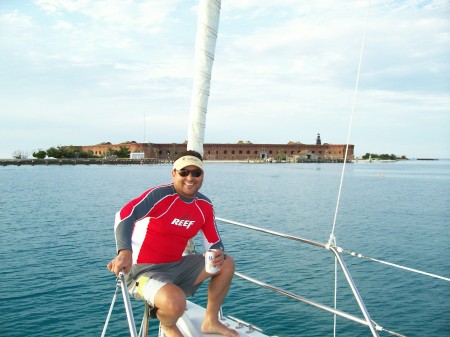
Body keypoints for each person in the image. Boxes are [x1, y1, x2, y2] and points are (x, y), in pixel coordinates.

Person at [107, 150, 238, 337]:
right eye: (184, 172)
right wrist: (124, 251)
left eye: (196, 172)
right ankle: (168, 325)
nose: (190, 178)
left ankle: (211, 320)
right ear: (173, 173)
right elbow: (125, 215)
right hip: (143, 270)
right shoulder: (160, 196)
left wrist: (217, 252)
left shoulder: (204, 205)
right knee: (177, 302)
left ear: (202, 175)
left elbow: (214, 241)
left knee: (226, 262)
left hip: (177, 265)